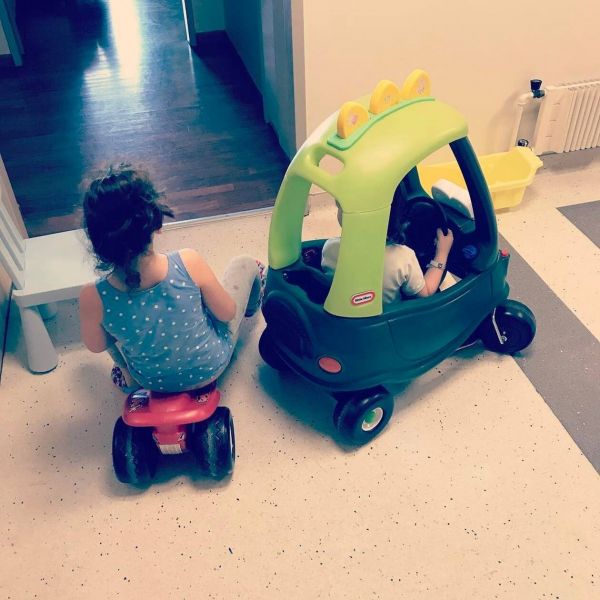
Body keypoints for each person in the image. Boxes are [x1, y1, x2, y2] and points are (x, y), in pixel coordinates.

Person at [79, 163, 264, 393]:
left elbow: (97, 345)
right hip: (210, 368)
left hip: (150, 381)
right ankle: (253, 306)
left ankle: (127, 375)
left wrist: (130, 326)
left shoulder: (92, 296)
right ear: (157, 224)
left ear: (96, 242)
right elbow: (227, 313)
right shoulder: (188, 261)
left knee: (108, 327)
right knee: (245, 263)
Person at [321, 195, 454, 304]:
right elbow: (427, 293)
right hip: (389, 319)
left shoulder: (330, 248)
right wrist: (442, 253)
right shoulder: (402, 257)